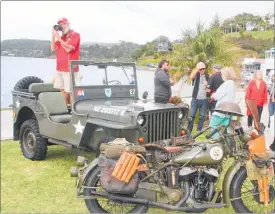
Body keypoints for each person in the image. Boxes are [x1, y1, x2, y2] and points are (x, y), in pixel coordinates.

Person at [51, 17, 81, 105]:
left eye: (63, 24)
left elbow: (68, 49)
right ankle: (66, 109)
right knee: (62, 90)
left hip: (70, 69)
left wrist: (58, 38)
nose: (61, 26)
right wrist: (53, 35)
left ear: (68, 24)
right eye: (60, 25)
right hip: (60, 68)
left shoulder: (75, 35)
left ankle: (73, 112)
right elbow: (53, 48)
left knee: (71, 91)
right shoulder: (61, 37)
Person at [209, 67, 237, 137]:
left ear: (225, 74)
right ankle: (226, 145)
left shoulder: (226, 84)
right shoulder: (232, 84)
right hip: (229, 111)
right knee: (226, 129)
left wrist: (213, 96)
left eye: (222, 74)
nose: (221, 75)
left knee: (213, 126)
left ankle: (217, 142)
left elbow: (218, 95)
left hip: (221, 110)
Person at [187, 62, 209, 132]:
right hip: (195, 99)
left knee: (202, 116)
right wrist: (197, 68)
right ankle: (189, 130)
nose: (202, 70)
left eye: (203, 69)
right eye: (201, 69)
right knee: (192, 115)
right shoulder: (196, 75)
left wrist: (207, 85)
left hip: (204, 100)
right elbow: (191, 77)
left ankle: (199, 130)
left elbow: (209, 88)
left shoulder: (207, 76)